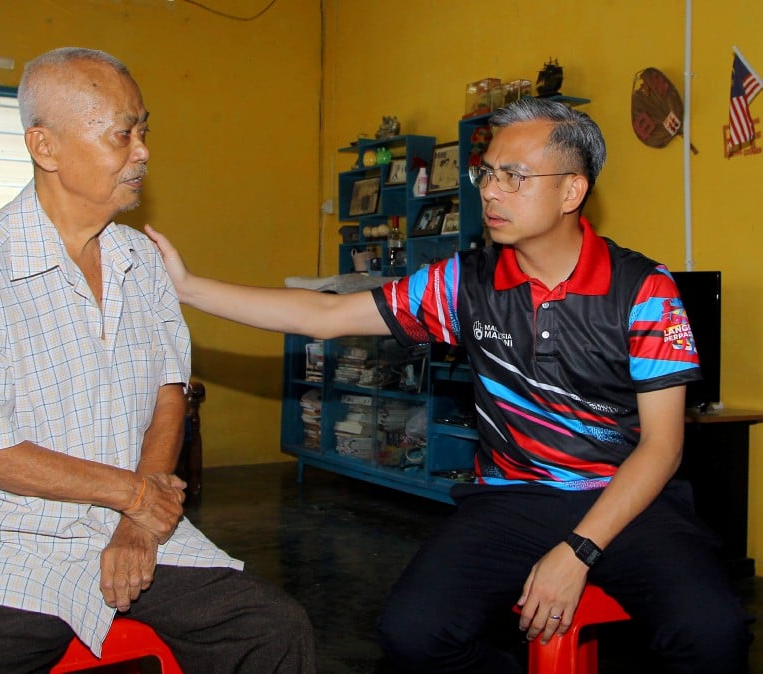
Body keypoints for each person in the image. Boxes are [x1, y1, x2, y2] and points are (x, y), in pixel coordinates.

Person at [146, 97, 750, 673]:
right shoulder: (465, 283)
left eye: (514, 176)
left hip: (626, 498)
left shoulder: (643, 290)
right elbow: (324, 316)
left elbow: (662, 447)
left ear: (572, 190)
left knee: (711, 632)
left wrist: (578, 551)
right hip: (512, 500)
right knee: (412, 634)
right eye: (487, 173)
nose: (490, 190)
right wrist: (190, 288)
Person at [0, 47, 314, 674]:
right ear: (46, 147)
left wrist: (140, 524)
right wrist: (135, 494)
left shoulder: (140, 261)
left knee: (273, 630)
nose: (142, 151)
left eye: (143, 130)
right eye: (122, 134)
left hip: (130, 527)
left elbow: (169, 393)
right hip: (3, 543)